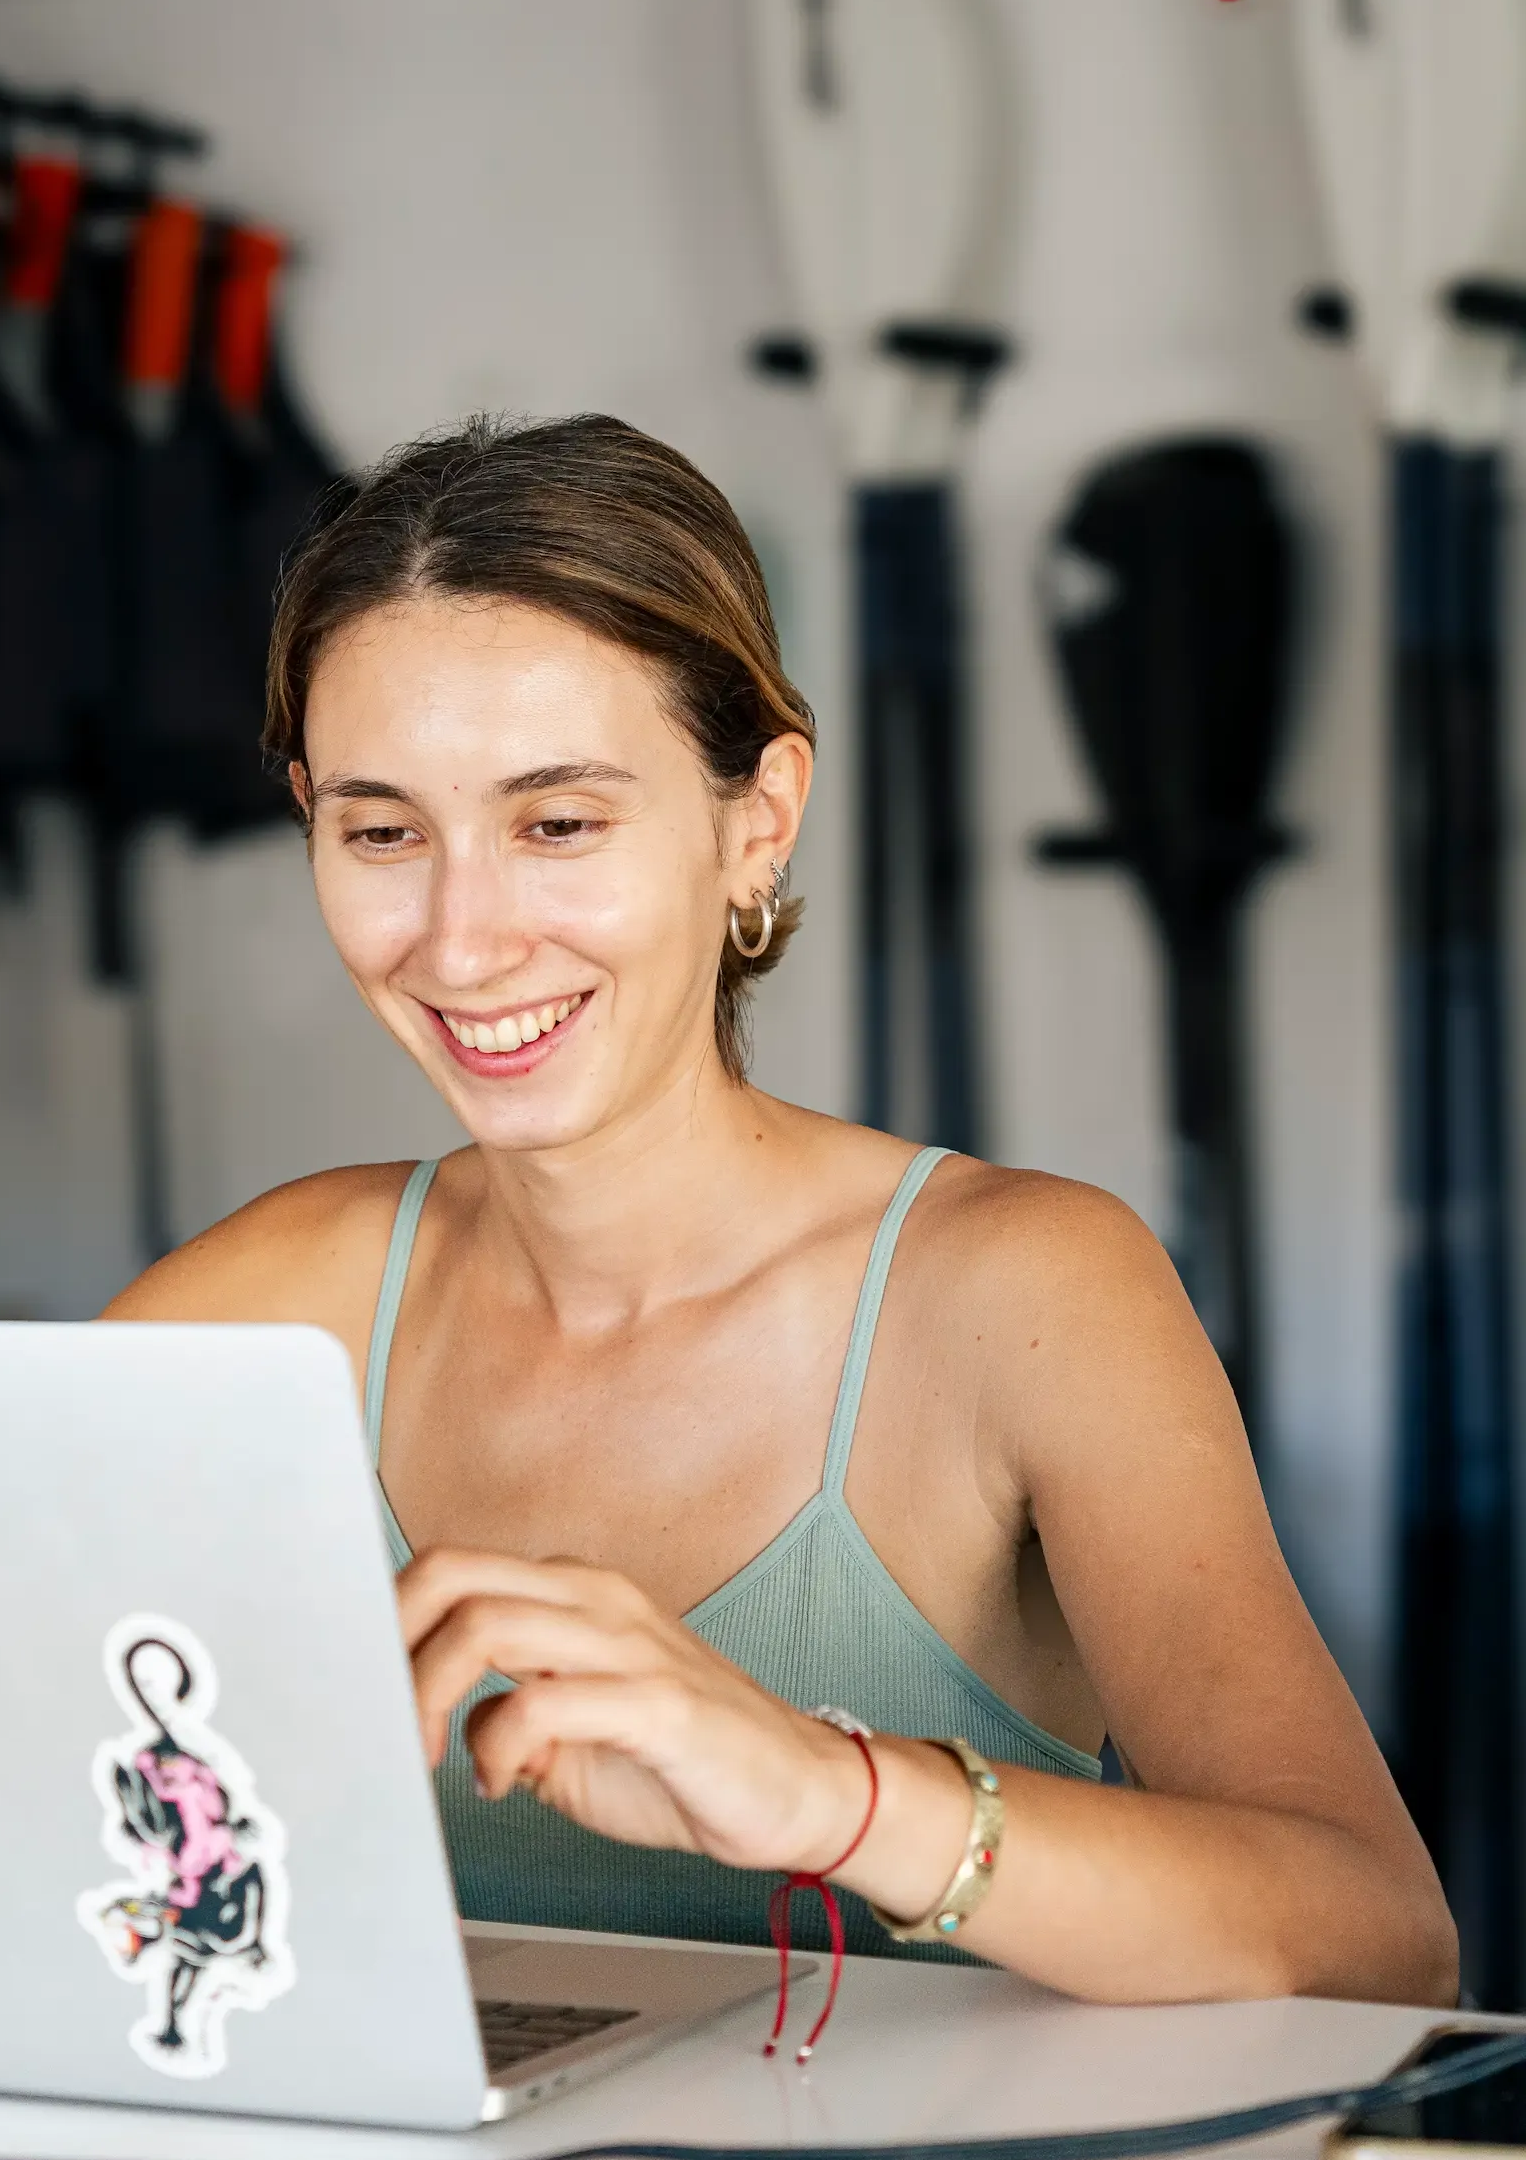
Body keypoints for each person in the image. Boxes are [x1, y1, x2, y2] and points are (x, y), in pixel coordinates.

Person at [108, 415, 1455, 2007]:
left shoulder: (1026, 1290)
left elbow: (1379, 1932)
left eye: (558, 823)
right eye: (383, 830)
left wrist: (830, 1790)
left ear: (756, 819)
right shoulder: (263, 1307)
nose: (461, 941)